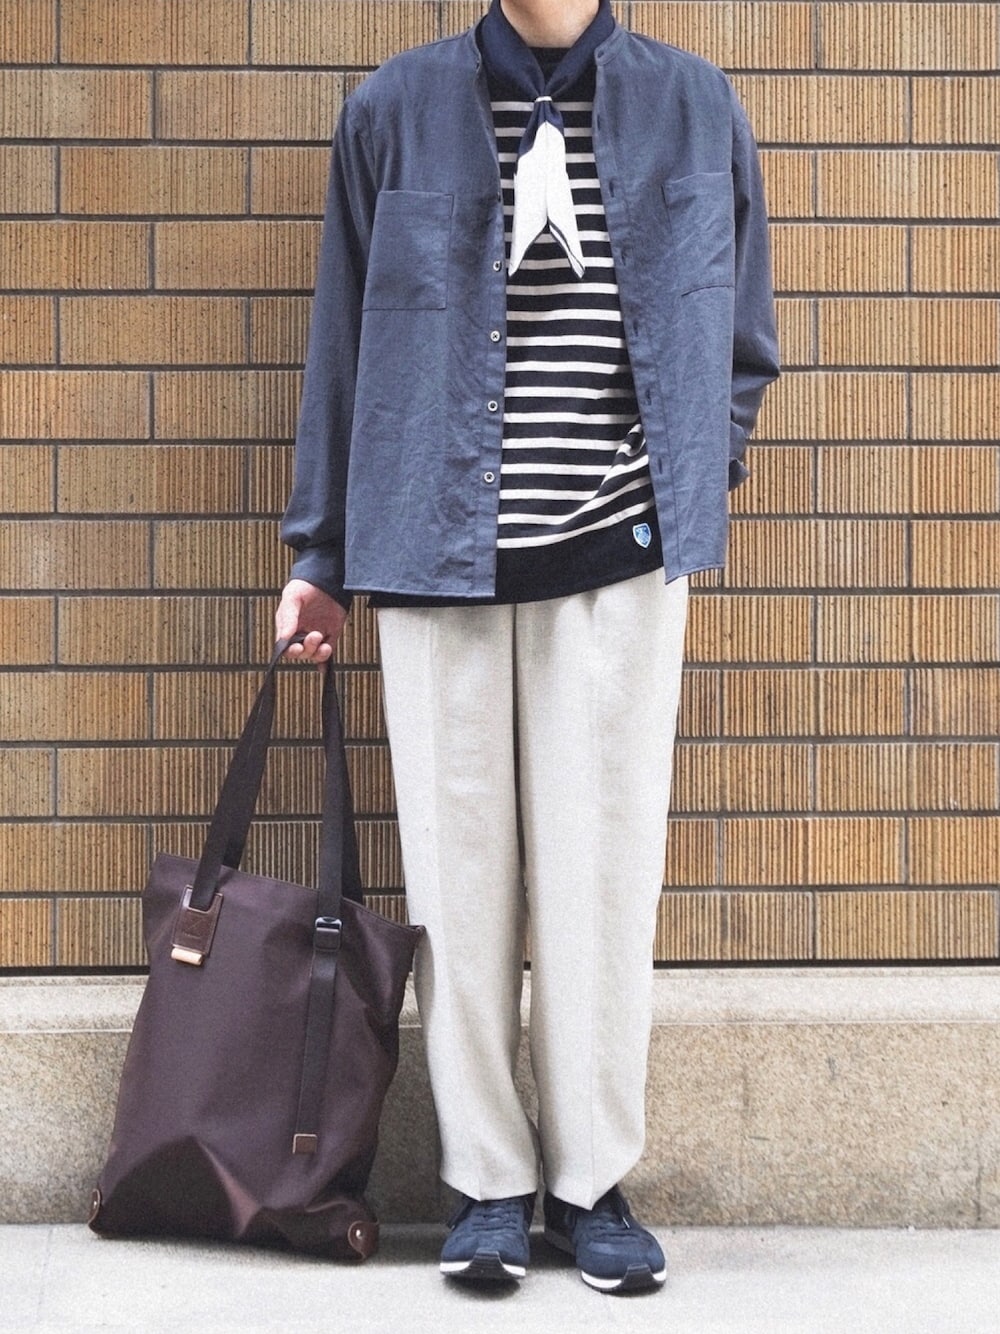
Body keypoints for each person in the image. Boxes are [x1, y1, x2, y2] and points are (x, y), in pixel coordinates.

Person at [274, 0, 778, 1295]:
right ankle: (487, 1181)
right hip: (433, 555)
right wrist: (319, 556)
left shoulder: (696, 107)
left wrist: (694, 474)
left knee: (602, 886)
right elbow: (341, 345)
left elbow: (740, 338)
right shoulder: (392, 113)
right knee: (460, 891)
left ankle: (591, 1182)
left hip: (617, 561)